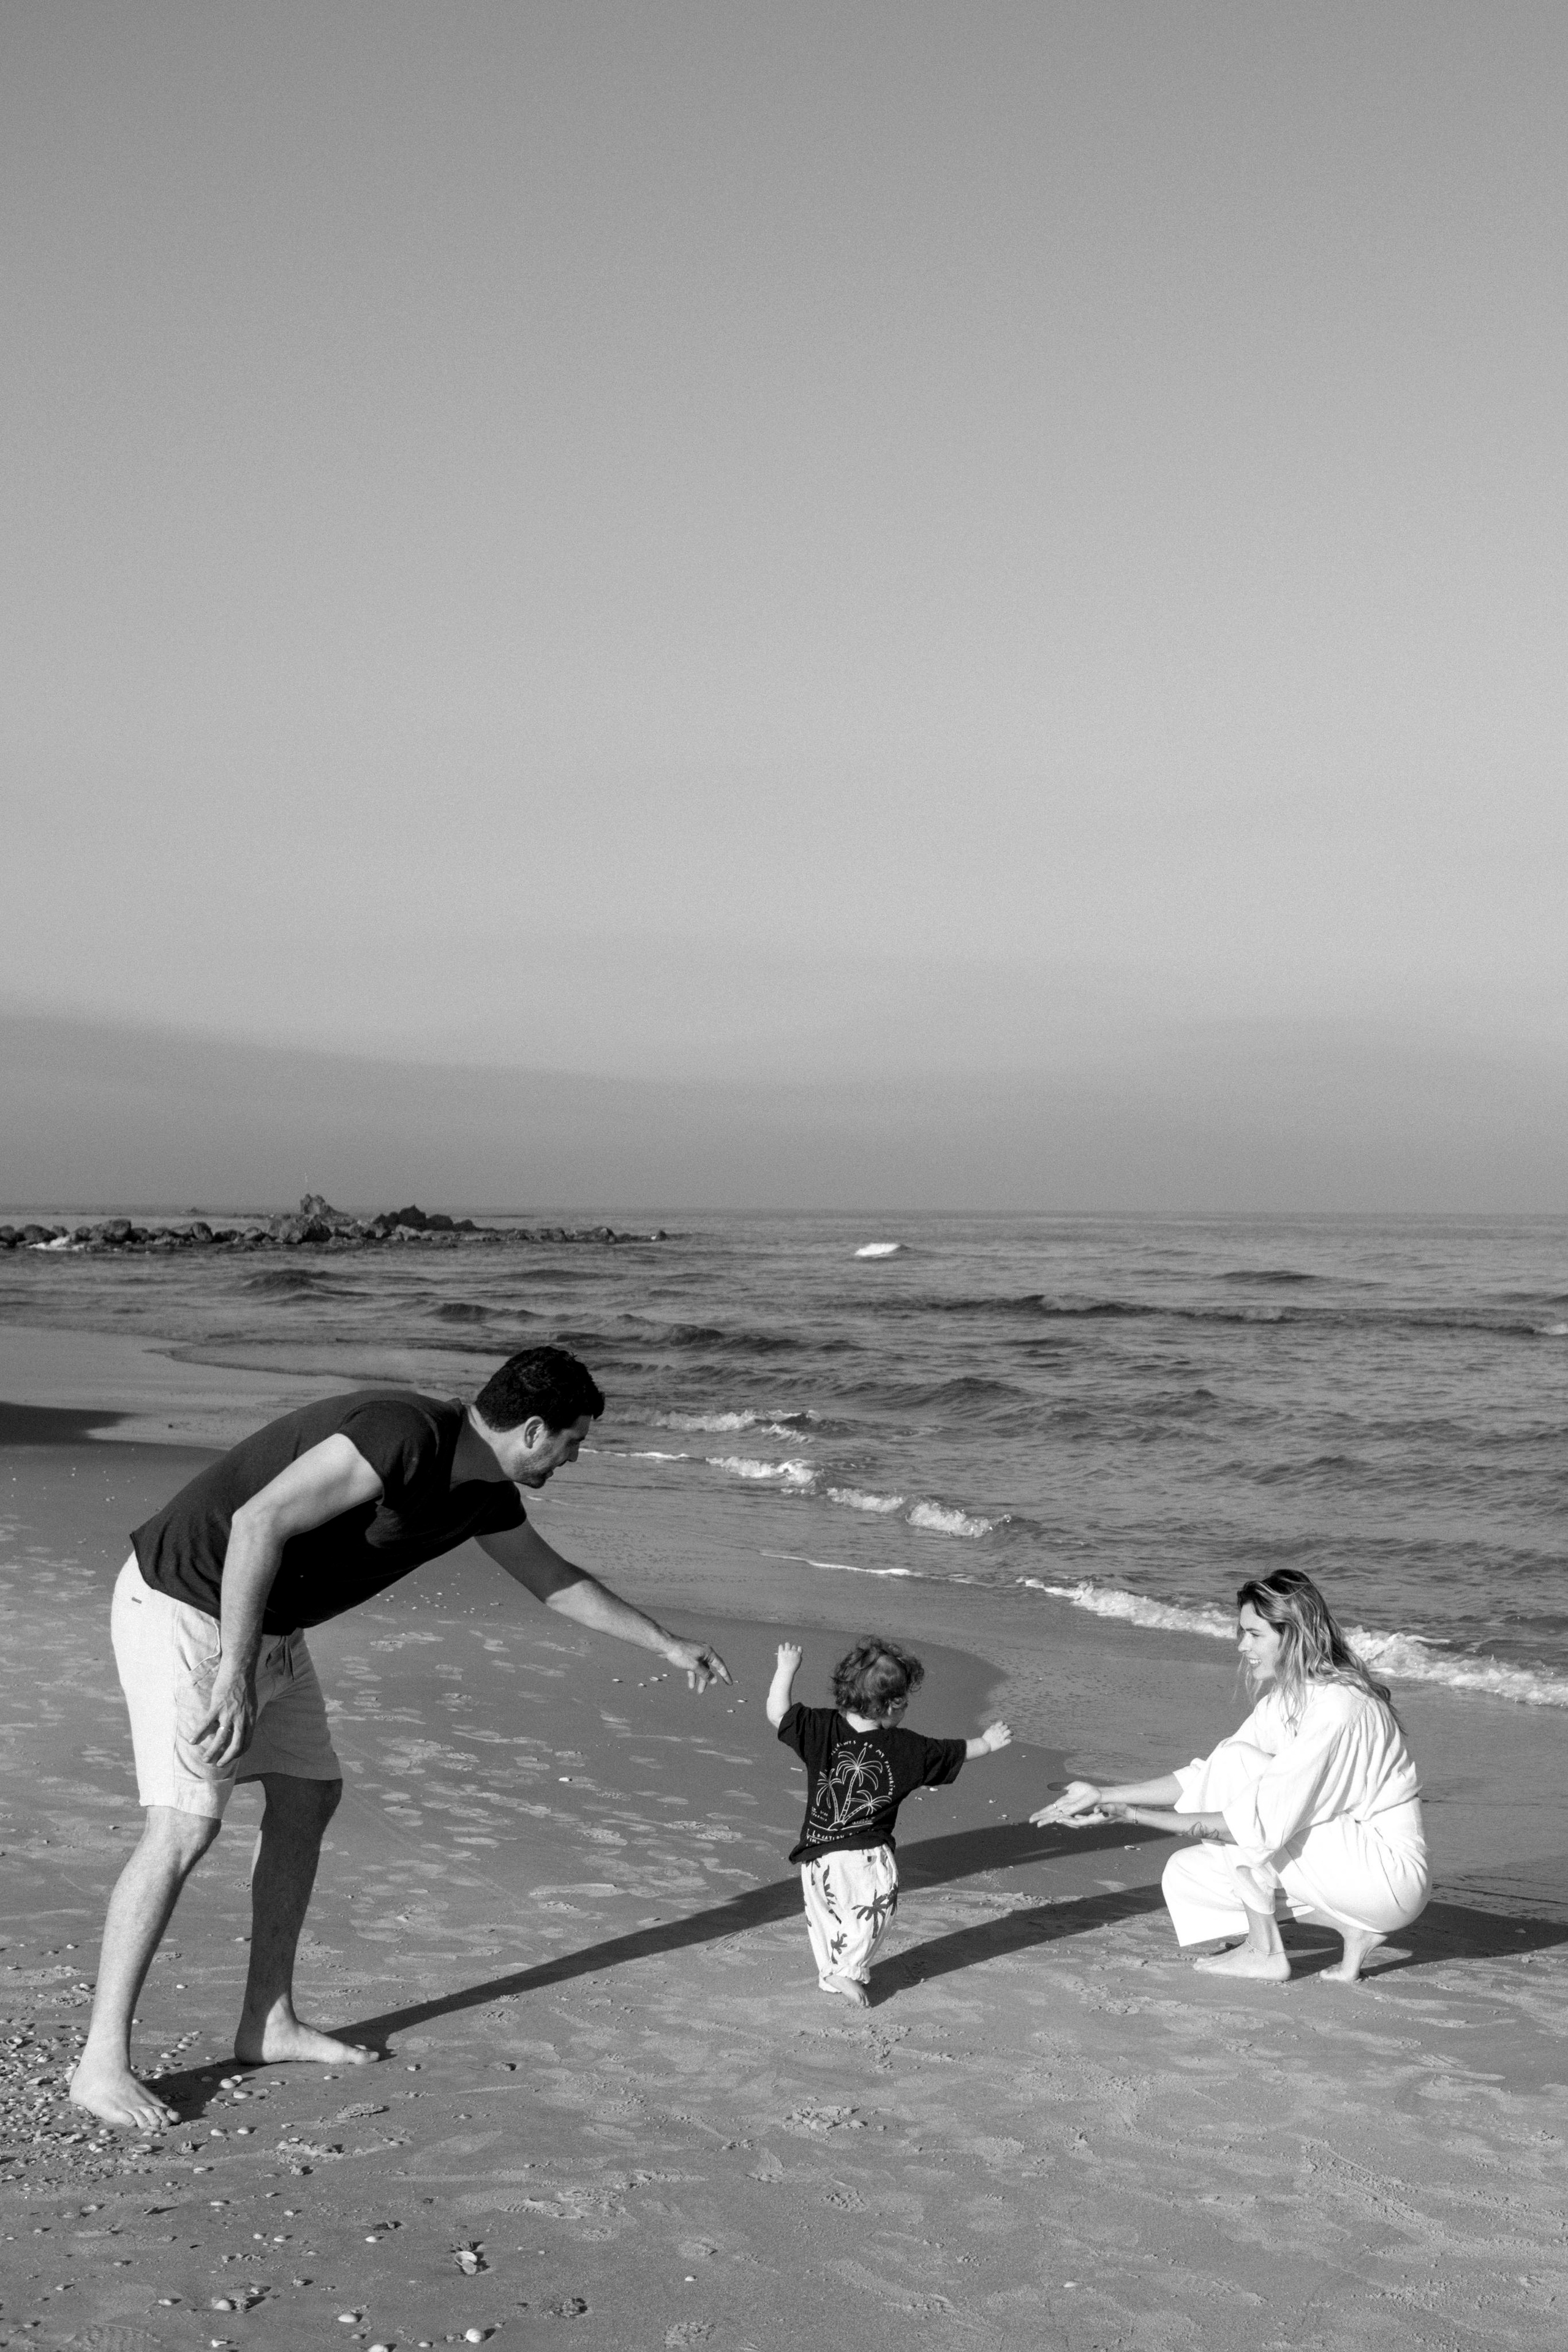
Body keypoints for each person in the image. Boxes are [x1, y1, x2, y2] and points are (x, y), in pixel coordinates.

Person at [69, 1346, 731, 2132]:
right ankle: (100, 2063)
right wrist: (233, 1674)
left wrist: (665, 1643)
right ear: (531, 1429)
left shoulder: (484, 1492)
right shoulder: (402, 1435)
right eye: (573, 1441)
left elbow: (550, 1579)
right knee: (184, 1827)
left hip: (269, 1625)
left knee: (309, 1796)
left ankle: (268, 2022)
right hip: (189, 1605)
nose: (575, 1457)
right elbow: (257, 1523)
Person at [1031, 1569, 1429, 1984]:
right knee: (1190, 1874)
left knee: (1238, 1769)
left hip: (1387, 1876)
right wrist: (1103, 1794)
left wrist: (1131, 1814)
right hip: (1352, 1877)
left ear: (1292, 1634)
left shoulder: (1338, 1708)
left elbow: (1248, 1818)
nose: (1243, 1647)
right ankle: (1353, 1929)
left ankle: (1265, 1951)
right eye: (1243, 1633)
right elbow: (1203, 1776)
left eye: (1254, 1635)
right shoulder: (1291, 1697)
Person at [767, 1636, 1012, 2007]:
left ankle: (835, 1974)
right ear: (891, 1706)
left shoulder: (820, 1727)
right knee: (873, 1916)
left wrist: (786, 1670)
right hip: (864, 1857)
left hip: (816, 1855)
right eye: (904, 1702)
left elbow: (778, 1714)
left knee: (826, 1917)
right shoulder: (904, 1748)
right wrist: (988, 1743)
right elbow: (953, 1752)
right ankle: (842, 1972)